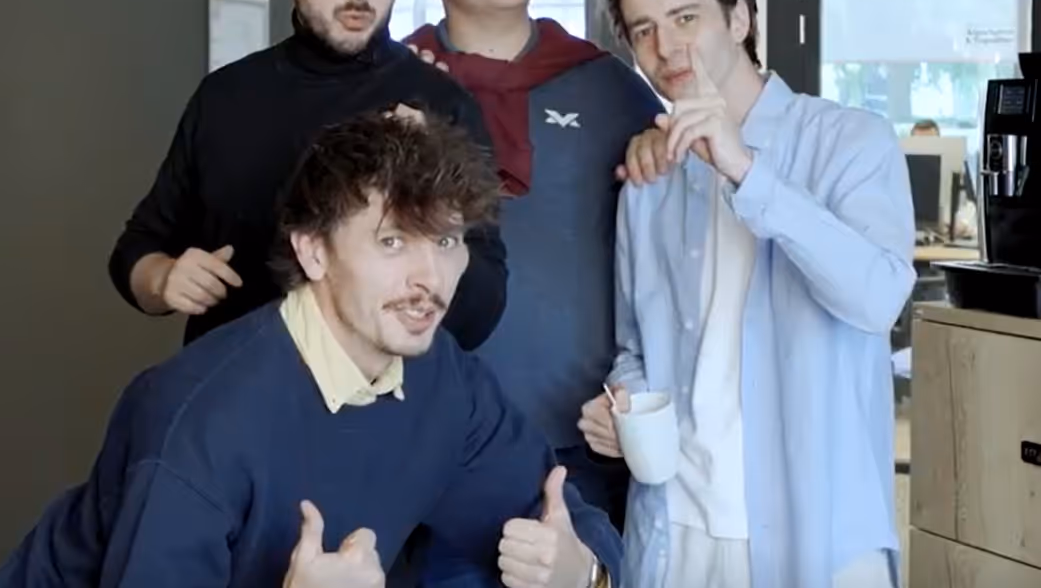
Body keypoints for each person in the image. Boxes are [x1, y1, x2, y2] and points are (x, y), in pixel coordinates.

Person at [0, 115, 620, 588]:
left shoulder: (444, 380)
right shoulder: (196, 423)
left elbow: (559, 510)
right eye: (393, 241)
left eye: (449, 239)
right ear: (313, 251)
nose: (431, 279)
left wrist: (582, 572)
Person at [578, 0, 916, 588]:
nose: (665, 47)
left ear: (738, 18)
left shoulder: (849, 141)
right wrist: (627, 406)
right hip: (675, 525)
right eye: (642, 30)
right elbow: (635, 344)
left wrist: (740, 166)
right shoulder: (648, 177)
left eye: (685, 18)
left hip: (817, 533)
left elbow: (877, 299)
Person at [107, 0, 506, 348]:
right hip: (235, 400)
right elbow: (136, 250)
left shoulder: (441, 106)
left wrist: (432, 188)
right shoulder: (225, 98)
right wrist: (164, 279)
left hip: (387, 412)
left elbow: (484, 310)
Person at [403, 0, 662, 585]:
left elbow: (681, 256)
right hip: (426, 444)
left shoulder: (610, 86)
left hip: (583, 446)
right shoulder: (399, 90)